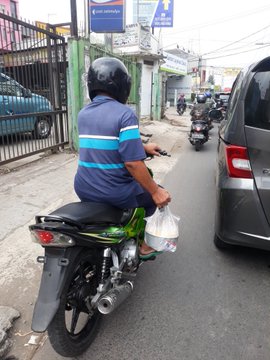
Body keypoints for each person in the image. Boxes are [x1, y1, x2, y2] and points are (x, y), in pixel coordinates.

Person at [74, 57, 171, 260]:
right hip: (114, 191)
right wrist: (155, 191)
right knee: (154, 200)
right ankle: (146, 246)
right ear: (122, 85)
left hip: (83, 187)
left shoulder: (83, 114)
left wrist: (142, 147)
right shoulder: (125, 114)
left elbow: (105, 145)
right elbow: (132, 163)